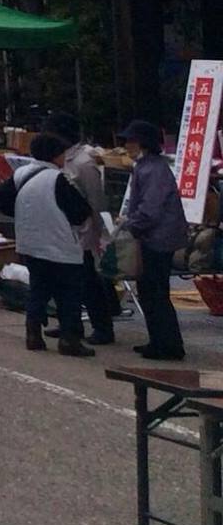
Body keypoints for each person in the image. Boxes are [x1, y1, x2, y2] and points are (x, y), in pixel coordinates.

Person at [0, 134, 96, 357]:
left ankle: (33, 334)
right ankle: (69, 339)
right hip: (60, 244)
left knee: (38, 289)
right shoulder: (57, 179)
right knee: (68, 293)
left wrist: (21, 212)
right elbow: (80, 212)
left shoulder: (22, 174)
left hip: (30, 242)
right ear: (56, 156)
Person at [118, 119, 189, 361]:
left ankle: (168, 345)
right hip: (155, 237)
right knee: (150, 292)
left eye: (130, 141)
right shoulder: (148, 166)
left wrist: (130, 225)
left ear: (142, 143)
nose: (126, 146)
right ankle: (159, 341)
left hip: (158, 240)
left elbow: (150, 210)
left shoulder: (153, 170)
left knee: (155, 293)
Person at [45, 111, 116, 346]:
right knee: (65, 281)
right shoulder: (60, 159)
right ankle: (70, 323)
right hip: (63, 229)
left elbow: (96, 201)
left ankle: (102, 327)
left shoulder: (84, 163)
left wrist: (98, 233)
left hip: (83, 231)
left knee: (88, 281)